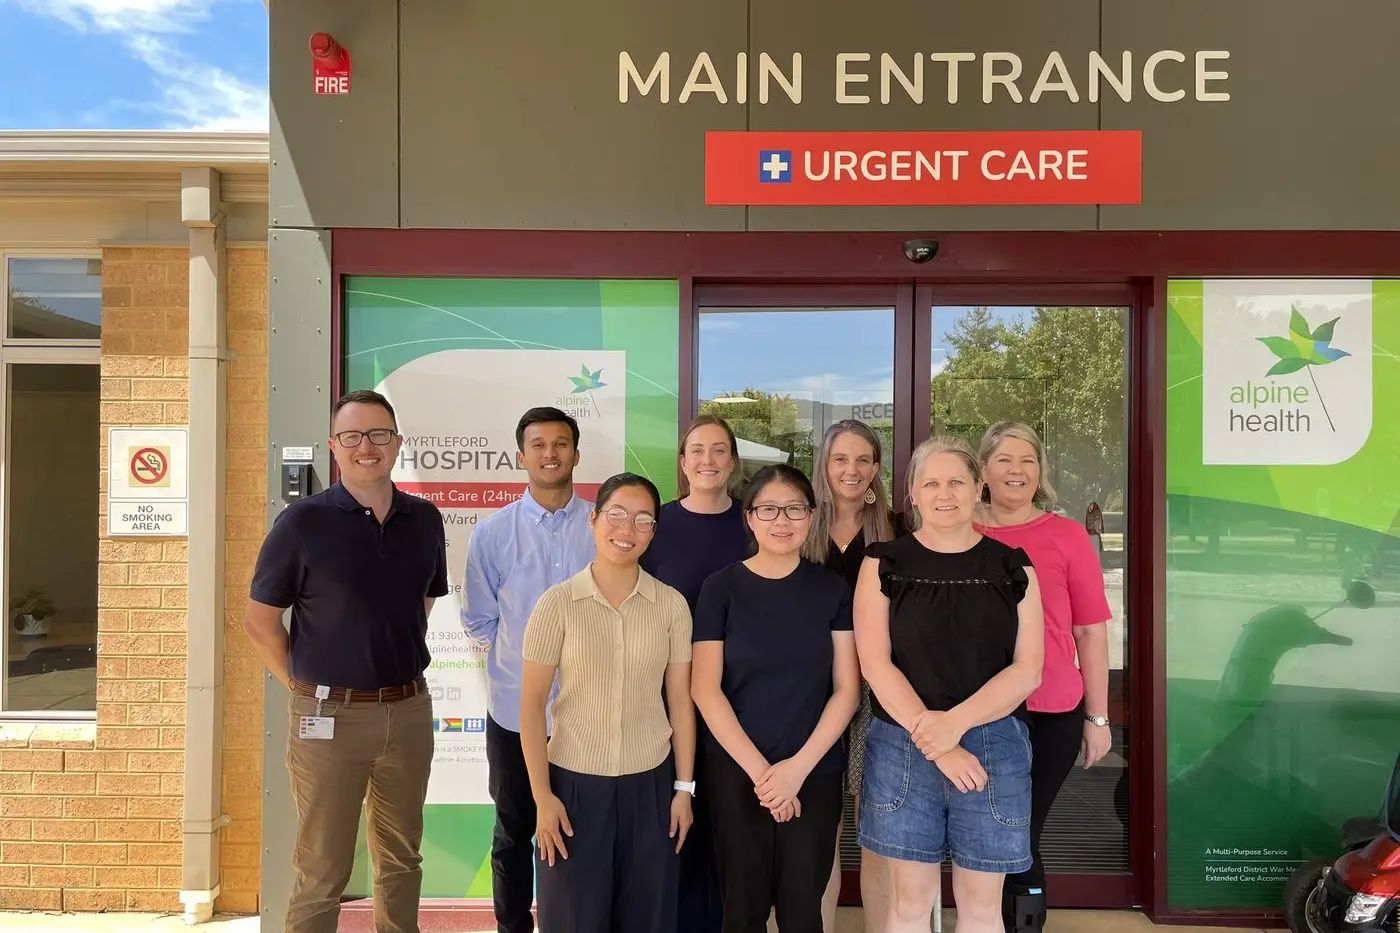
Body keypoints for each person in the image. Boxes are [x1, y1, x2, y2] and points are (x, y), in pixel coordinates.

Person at [242, 389, 449, 933]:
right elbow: (259, 622)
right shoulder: (302, 523)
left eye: (379, 434)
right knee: (322, 868)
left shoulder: (425, 520)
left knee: (402, 859)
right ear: (335, 446)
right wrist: (305, 688)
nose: (366, 447)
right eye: (352, 436)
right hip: (326, 719)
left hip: (406, 714)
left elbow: (421, 602)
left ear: (397, 443)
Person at [853, 435, 1045, 933]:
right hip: (903, 742)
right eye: (931, 483)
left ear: (978, 488)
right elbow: (875, 663)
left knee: (981, 906)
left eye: (957, 481)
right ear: (912, 493)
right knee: (910, 902)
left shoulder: (1014, 566)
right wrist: (938, 744)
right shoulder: (882, 562)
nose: (945, 493)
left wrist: (954, 728)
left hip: (993, 744)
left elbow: (1028, 669)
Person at [520, 472, 698, 933]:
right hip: (574, 791)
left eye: (643, 520)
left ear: (654, 532)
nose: (627, 529)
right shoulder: (556, 604)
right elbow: (531, 705)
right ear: (594, 520)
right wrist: (543, 798)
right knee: (574, 919)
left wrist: (684, 789)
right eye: (616, 515)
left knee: (648, 917)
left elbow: (680, 702)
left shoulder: (671, 606)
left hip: (651, 788)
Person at [691, 464, 861, 933]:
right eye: (768, 509)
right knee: (741, 911)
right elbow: (705, 688)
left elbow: (847, 690)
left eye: (794, 509)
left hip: (814, 772)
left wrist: (796, 770)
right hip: (736, 772)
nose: (781, 520)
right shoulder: (720, 588)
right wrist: (764, 776)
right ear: (749, 517)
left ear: (811, 517)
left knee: (802, 911)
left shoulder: (832, 590)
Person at [974, 422, 1113, 933]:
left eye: (1028, 460)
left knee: (1020, 835)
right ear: (983, 470)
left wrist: (1097, 717)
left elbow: (1090, 633)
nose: (1017, 470)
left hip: (1049, 710)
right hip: (975, 711)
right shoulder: (960, 528)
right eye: (1005, 460)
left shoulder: (1066, 536)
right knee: (988, 835)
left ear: (1041, 473)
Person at [462, 406, 595, 933]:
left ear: (576, 454)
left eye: (560, 444)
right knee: (514, 832)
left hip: (588, 714)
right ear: (521, 456)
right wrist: (523, 667)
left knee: (584, 833)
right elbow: (479, 619)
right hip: (517, 716)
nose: (550, 454)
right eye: (538, 445)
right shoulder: (493, 533)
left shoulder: (600, 526)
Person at [639, 414, 749, 933]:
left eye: (719, 450)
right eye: (697, 451)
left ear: (732, 461)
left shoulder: (755, 523)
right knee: (674, 829)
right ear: (683, 463)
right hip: (669, 700)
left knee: (727, 835)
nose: (708, 460)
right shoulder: (656, 526)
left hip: (741, 701)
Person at [799, 420, 899, 933]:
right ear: (825, 465)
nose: (852, 470)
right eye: (841, 459)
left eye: (863, 460)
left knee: (877, 829)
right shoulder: (798, 525)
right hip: (813, 695)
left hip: (882, 698)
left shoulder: (898, 532)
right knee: (822, 833)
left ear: (877, 469)